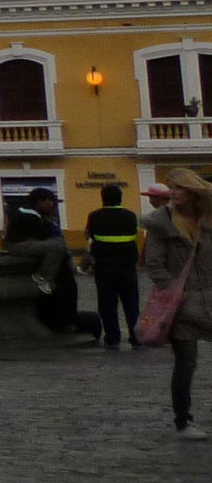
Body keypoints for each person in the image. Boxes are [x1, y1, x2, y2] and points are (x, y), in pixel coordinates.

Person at [141, 168, 212, 440]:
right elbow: (155, 266)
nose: (173, 192)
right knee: (186, 363)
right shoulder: (162, 223)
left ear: (194, 191)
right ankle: (183, 420)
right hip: (182, 305)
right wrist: (176, 293)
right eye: (171, 187)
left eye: (179, 187)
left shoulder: (207, 218)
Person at [87, 183, 143, 351]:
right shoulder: (130, 215)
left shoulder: (95, 216)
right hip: (127, 265)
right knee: (131, 303)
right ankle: (136, 337)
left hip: (104, 266)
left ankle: (112, 337)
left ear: (102, 198)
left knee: (107, 304)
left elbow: (90, 235)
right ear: (121, 198)